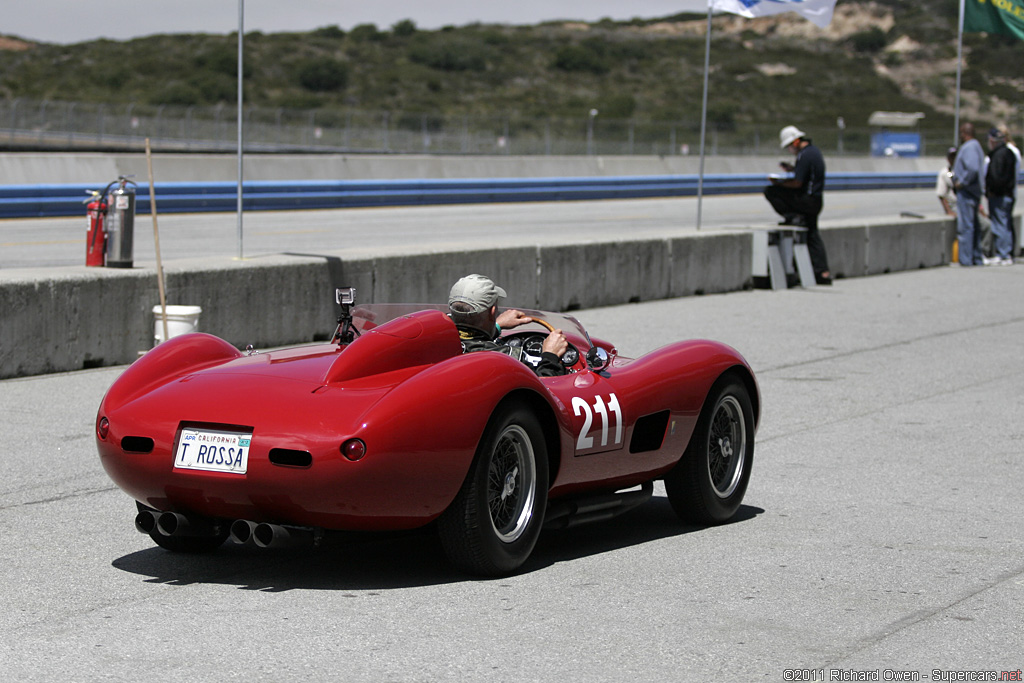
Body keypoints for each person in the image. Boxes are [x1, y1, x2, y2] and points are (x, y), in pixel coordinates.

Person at [447, 274, 568, 377]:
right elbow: (544, 389)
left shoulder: (439, 343)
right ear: (493, 311)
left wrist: (496, 326)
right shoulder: (504, 359)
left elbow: (470, 339)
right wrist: (551, 356)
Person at [764, 125, 831, 285]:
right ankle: (822, 273)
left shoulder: (804, 155)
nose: (789, 150)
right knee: (812, 234)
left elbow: (797, 183)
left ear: (795, 142)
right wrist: (792, 169)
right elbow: (806, 175)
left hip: (807, 201)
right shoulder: (813, 152)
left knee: (770, 191)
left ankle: (792, 216)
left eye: (789, 146)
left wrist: (779, 183)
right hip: (816, 200)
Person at [952, 122, 985, 266]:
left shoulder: (969, 147)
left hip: (967, 192)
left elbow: (972, 168)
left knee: (966, 226)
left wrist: (961, 182)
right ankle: (976, 257)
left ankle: (966, 259)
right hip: (974, 192)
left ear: (965, 133)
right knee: (974, 226)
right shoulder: (976, 146)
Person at [985, 127, 1017, 266]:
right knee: (1005, 224)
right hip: (1008, 194)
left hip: (999, 195)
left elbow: (997, 177)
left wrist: (991, 190)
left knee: (1000, 225)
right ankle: (1006, 253)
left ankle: (1003, 254)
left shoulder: (998, 155)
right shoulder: (1009, 153)